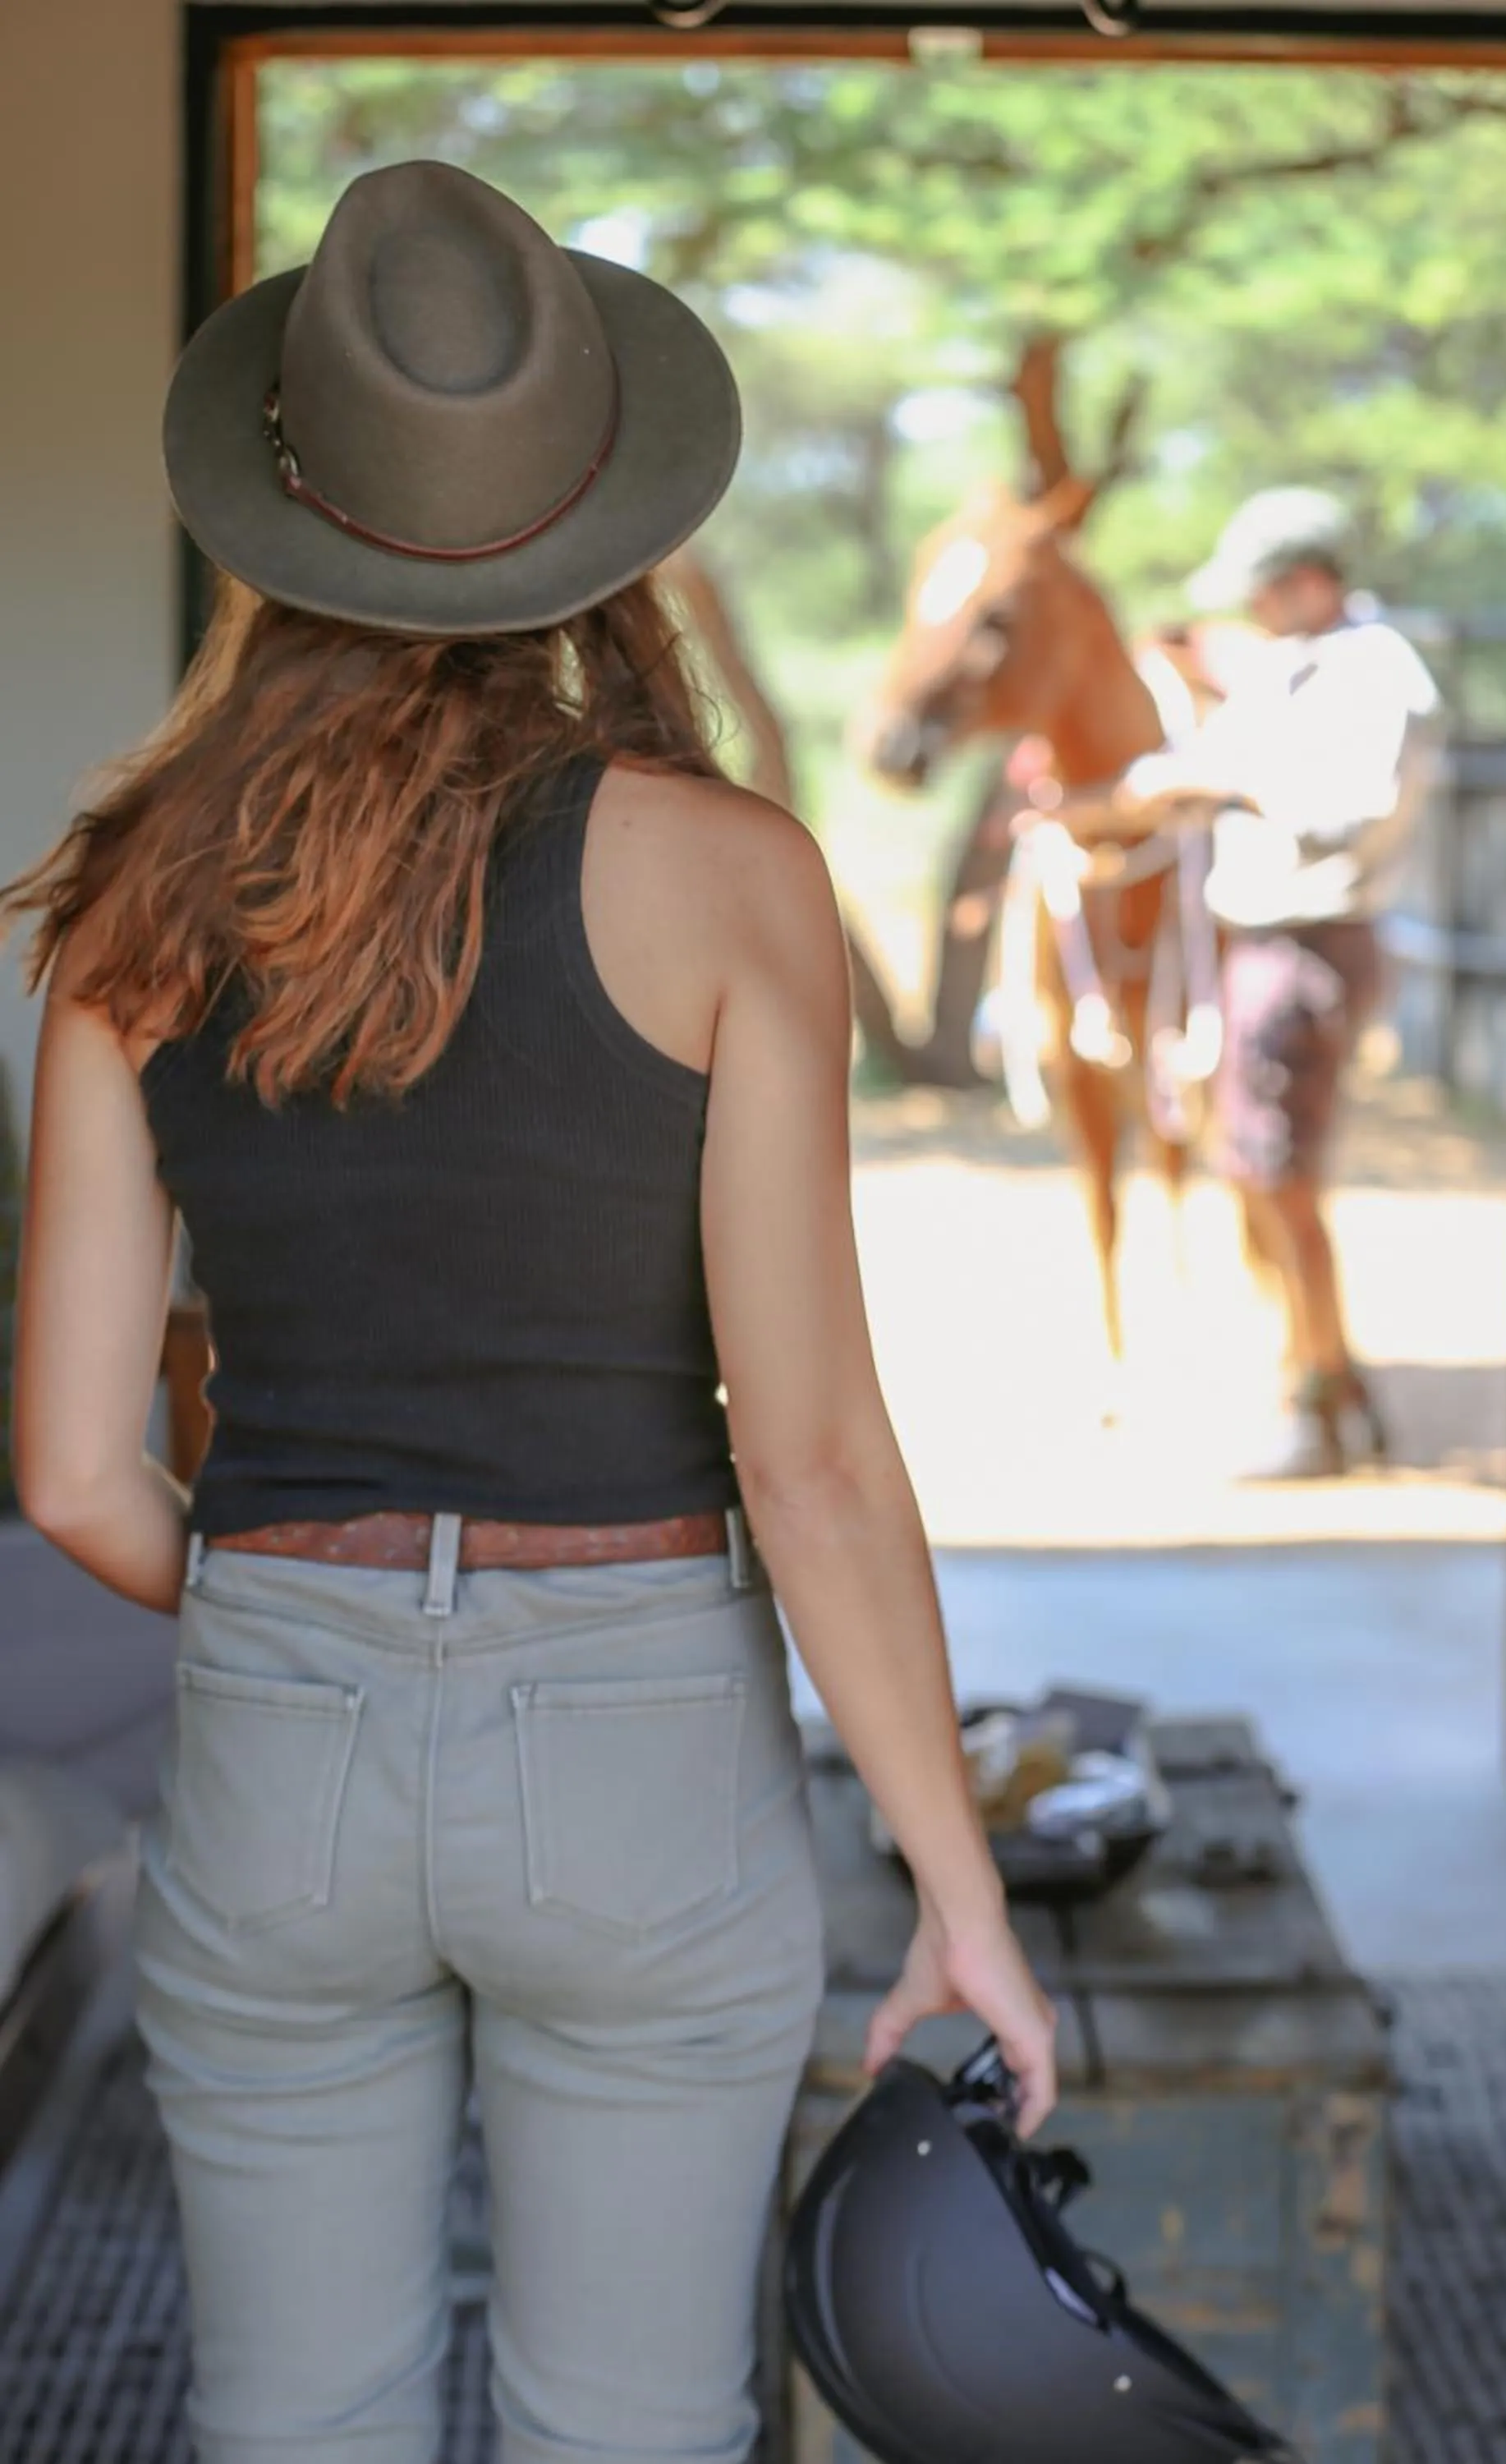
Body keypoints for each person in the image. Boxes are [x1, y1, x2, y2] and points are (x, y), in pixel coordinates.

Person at [5, 160, 1056, 2464]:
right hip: (638, 1734)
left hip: (276, 1727)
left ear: (284, 521)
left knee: (297, 2428)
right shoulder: (732, 880)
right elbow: (810, 1458)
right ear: (608, 524)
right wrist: (956, 1887)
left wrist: (302, 1607)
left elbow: (74, 1475)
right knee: (635, 2428)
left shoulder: (134, 902)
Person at [1122, 487, 1443, 1475]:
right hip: (1265, 945)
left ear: (1305, 582)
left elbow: (1344, 813)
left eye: (1261, 592)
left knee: (1276, 1174)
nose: (1251, 612)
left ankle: (1318, 1400)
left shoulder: (1374, 674)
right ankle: (1330, 1380)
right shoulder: (1292, 667)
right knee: (1259, 1168)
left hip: (1309, 944)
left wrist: (1211, 785)